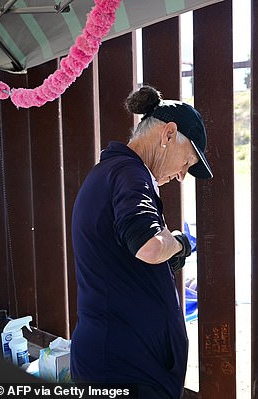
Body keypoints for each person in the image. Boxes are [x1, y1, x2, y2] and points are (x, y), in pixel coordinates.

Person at [70, 86, 213, 399]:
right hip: (122, 371)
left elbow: (127, 250)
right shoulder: (131, 173)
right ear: (168, 134)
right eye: (187, 160)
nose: (181, 175)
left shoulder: (110, 171)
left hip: (116, 365)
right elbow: (148, 245)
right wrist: (179, 242)